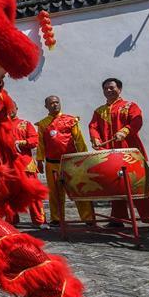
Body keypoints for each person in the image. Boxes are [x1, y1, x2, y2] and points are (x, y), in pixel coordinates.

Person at [88, 78, 149, 226]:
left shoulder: (130, 106)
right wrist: (95, 139)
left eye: (112, 88)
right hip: (110, 153)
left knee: (139, 185)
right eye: (106, 89)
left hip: (129, 153)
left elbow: (136, 121)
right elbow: (93, 126)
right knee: (115, 185)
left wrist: (125, 131)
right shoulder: (99, 111)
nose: (109, 91)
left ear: (119, 89)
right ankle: (117, 218)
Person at [35, 95, 95, 226]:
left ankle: (88, 217)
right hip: (52, 163)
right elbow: (41, 143)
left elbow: (79, 139)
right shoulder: (43, 124)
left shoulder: (70, 120)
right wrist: (39, 160)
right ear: (46, 106)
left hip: (71, 163)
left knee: (79, 190)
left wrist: (83, 157)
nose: (55, 105)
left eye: (57, 102)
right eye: (51, 103)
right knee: (55, 192)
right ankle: (57, 218)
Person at [10, 108, 46, 228]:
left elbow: (35, 140)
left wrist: (22, 142)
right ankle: (11, 221)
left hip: (26, 165)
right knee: (9, 194)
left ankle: (39, 220)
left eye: (11, 108)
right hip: (8, 165)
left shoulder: (25, 124)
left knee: (33, 194)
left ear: (16, 109)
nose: (9, 110)